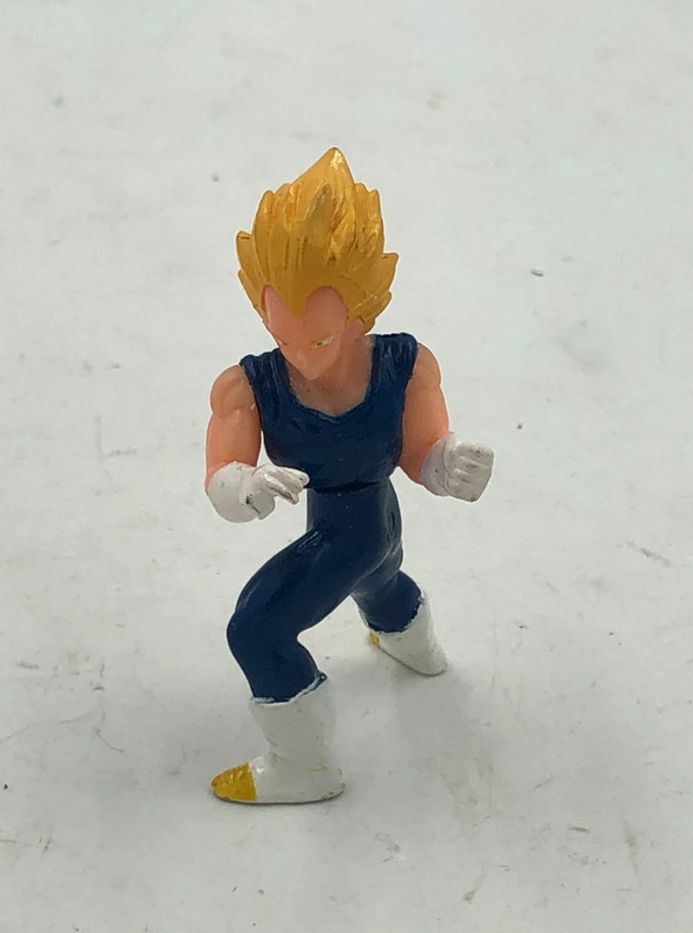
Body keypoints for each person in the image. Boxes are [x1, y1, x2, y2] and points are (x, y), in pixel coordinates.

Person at [205, 148, 493, 804]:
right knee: (379, 579)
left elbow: (423, 451)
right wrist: (241, 486)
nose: (301, 360)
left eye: (320, 341)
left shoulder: (405, 365)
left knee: (256, 629)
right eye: (284, 338)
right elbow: (222, 468)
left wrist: (450, 463)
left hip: (356, 526)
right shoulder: (247, 386)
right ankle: (414, 645)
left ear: (360, 315)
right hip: (369, 526)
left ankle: (303, 764)